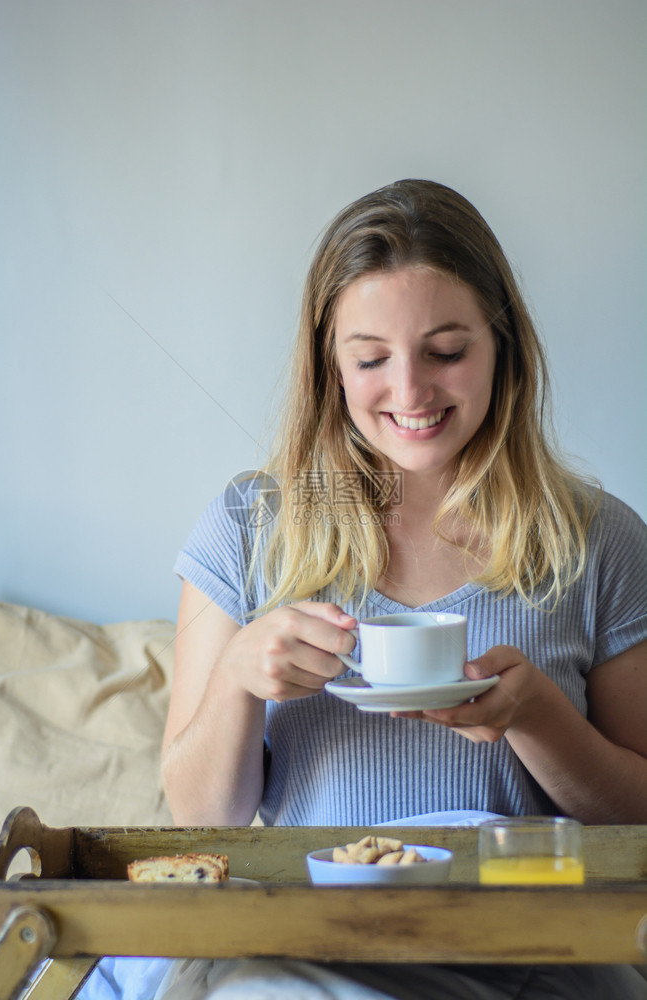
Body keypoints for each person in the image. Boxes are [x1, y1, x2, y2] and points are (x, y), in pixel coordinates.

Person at [158, 180, 647, 999]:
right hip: (307, 942)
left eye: (446, 351)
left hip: (529, 942)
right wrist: (240, 678)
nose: (412, 392)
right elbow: (195, 825)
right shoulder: (247, 527)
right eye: (372, 358)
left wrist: (535, 717)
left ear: (503, 350)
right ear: (331, 366)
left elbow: (638, 825)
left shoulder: (598, 540)